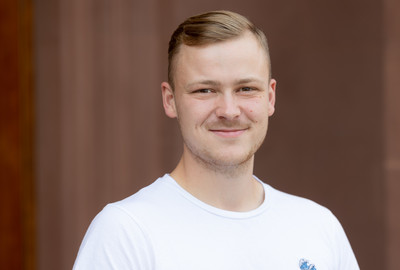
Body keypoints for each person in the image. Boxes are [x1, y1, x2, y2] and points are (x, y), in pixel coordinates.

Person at [73, 10, 359, 270]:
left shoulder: (318, 227)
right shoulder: (126, 233)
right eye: (205, 91)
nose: (229, 111)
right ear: (170, 100)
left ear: (270, 97)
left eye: (246, 88)